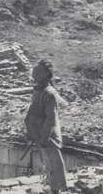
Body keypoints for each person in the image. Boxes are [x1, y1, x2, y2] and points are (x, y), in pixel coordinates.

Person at [24, 59, 67, 194]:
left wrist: (44, 137)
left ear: (46, 75)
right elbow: (33, 110)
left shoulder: (49, 93)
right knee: (47, 162)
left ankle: (58, 189)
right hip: (39, 132)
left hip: (48, 135)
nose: (34, 75)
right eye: (34, 72)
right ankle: (52, 186)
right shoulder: (38, 91)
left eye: (37, 73)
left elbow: (50, 118)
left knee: (54, 161)